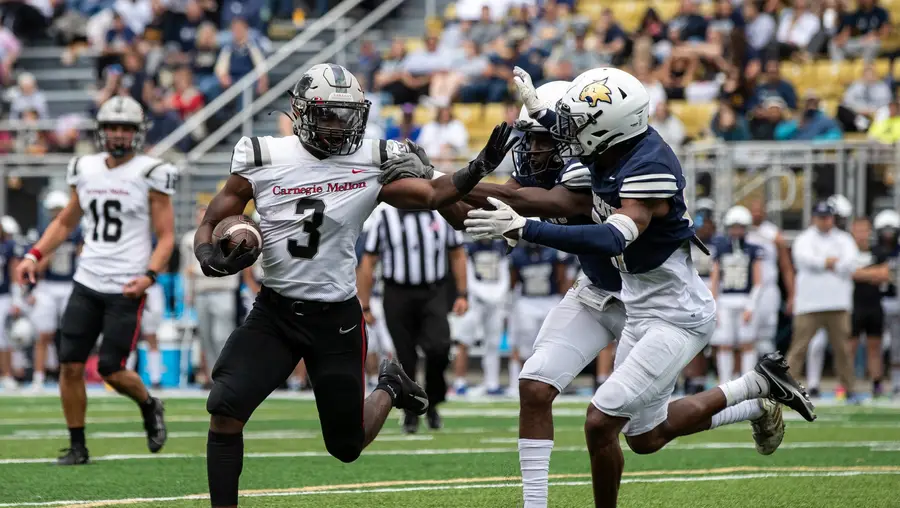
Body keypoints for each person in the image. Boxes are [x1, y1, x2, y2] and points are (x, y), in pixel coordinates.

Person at [466, 67, 817, 507]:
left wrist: (525, 229)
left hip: (677, 317)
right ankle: (755, 387)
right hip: (638, 306)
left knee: (599, 421)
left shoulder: (648, 165)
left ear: (609, 128)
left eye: (577, 125)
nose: (567, 138)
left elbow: (614, 237)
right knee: (646, 437)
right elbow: (573, 135)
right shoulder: (611, 146)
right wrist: (539, 109)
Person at [193, 63, 515, 508]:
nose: (338, 125)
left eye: (347, 114)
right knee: (225, 408)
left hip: (335, 319)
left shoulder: (373, 156)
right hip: (276, 313)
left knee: (346, 446)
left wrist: (475, 167)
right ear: (302, 112)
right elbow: (212, 220)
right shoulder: (262, 155)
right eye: (327, 113)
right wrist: (209, 253)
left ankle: (390, 386)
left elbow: (437, 198)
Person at [437, 80, 629, 508]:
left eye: (542, 140)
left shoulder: (587, 172)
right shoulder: (540, 173)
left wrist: (443, 177)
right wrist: (434, 193)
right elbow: (462, 216)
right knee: (535, 387)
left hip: (645, 301)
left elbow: (524, 200)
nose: (532, 150)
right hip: (596, 293)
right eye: (530, 140)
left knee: (647, 432)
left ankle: (751, 393)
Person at [15, 95, 176, 465]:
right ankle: (77, 445)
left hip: (125, 285)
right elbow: (67, 221)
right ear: (101, 132)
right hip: (87, 280)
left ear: (137, 133)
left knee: (111, 369)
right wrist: (34, 255)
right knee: (70, 364)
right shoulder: (84, 167)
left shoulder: (151, 172)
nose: (118, 135)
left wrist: (149, 276)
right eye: (112, 128)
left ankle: (150, 404)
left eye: (126, 128)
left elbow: (166, 235)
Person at [359, 205, 468, 432]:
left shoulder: (441, 213)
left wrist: (462, 293)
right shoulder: (384, 216)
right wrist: (365, 303)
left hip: (433, 292)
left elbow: (457, 253)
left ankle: (434, 401)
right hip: (397, 293)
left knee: (439, 347)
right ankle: (411, 412)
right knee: (406, 356)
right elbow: (369, 260)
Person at [786, 201, 859, 403]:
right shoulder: (804, 239)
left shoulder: (844, 239)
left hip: (838, 303)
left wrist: (822, 262)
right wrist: (828, 262)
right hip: (809, 303)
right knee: (798, 347)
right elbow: (803, 259)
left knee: (843, 349)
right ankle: (786, 389)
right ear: (814, 218)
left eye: (828, 217)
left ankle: (849, 388)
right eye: (821, 217)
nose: (825, 221)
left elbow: (850, 263)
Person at [29, 190, 81, 392]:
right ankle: (39, 376)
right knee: (43, 334)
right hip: (48, 286)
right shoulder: (43, 231)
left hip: (70, 284)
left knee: (73, 334)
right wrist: (49, 252)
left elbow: (82, 259)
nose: (56, 214)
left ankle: (71, 377)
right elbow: (38, 267)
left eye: (59, 210)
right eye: (53, 210)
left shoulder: (77, 232)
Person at [507, 242, 571, 398]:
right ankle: (521, 381)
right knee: (525, 343)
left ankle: (554, 383)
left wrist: (563, 300)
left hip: (549, 299)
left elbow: (561, 277)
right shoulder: (518, 255)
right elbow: (512, 281)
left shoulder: (553, 253)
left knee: (552, 342)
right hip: (527, 301)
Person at [709, 206, 764, 383]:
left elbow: (758, 281)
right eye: (734, 226)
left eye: (740, 226)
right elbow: (715, 279)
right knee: (724, 343)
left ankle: (748, 383)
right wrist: (713, 304)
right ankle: (725, 383)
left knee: (747, 343)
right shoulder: (721, 248)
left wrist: (751, 305)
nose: (737, 231)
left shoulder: (754, 249)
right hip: (725, 300)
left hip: (745, 298)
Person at [449, 237, 508, 396]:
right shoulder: (469, 246)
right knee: (464, 341)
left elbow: (504, 270)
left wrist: (498, 294)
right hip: (474, 300)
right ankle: (459, 381)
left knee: (493, 343)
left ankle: (492, 382)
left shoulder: (500, 245)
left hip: (495, 300)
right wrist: (480, 293)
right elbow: (466, 272)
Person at [849, 216, 891, 397]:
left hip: (874, 304)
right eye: (858, 230)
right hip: (853, 304)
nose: (861, 234)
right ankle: (846, 383)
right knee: (849, 347)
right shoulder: (847, 252)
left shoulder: (879, 251)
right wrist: (870, 274)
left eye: (864, 230)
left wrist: (860, 273)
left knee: (875, 346)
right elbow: (848, 273)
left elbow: (884, 274)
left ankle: (876, 384)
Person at [746, 199, 795, 356]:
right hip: (746, 289)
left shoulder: (774, 234)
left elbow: (786, 267)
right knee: (746, 334)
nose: (756, 214)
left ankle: (765, 373)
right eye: (753, 210)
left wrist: (792, 295)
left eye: (759, 210)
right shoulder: (742, 231)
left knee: (767, 334)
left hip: (768, 288)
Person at [873, 210, 900, 396]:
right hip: (876, 302)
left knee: (897, 346)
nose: (888, 234)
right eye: (885, 229)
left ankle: (897, 383)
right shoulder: (874, 251)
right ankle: (877, 382)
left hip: (896, 300)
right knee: (876, 344)